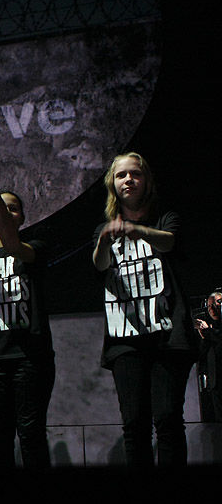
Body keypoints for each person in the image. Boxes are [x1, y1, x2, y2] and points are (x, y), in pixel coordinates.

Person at [92, 152, 197, 467]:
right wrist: (103, 242)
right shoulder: (104, 229)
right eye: (121, 175)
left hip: (167, 335)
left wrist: (138, 231)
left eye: (134, 174)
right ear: (113, 183)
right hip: (126, 339)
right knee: (134, 423)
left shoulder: (165, 218)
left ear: (146, 181)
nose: (128, 180)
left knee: (167, 418)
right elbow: (99, 265)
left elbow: (168, 242)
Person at [0, 164, 54, 469]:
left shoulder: (36, 249)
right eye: (1, 208)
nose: (6, 212)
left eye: (13, 208)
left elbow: (14, 244)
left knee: (31, 434)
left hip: (30, 357)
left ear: (22, 217)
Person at [195, 291, 222, 421]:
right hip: (215, 383)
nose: (212, 309)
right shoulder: (211, 328)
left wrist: (207, 332)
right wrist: (204, 337)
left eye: (216, 303)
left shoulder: (212, 330)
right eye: (209, 306)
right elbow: (202, 355)